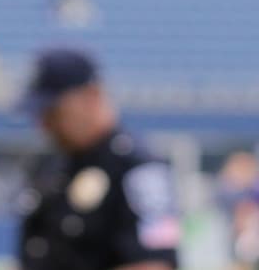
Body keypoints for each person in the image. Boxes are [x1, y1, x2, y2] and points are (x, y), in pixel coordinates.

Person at [17, 47, 179, 270]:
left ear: (90, 97)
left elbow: (153, 265)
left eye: (54, 112)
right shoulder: (49, 167)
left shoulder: (138, 169)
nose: (44, 124)